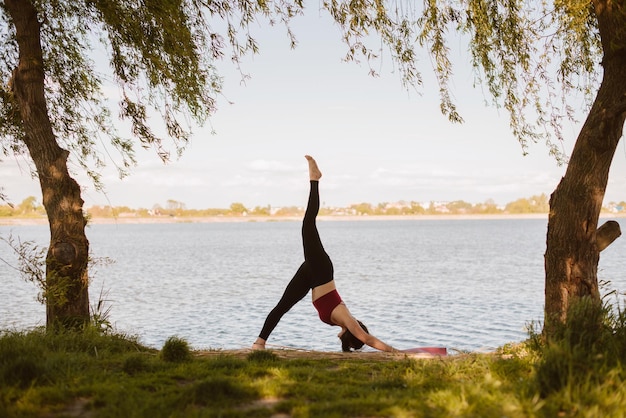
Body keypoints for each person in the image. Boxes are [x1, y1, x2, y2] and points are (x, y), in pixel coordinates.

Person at [252, 155, 396, 353]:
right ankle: (315, 179)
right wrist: (399, 353)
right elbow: (367, 339)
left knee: (282, 306)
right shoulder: (348, 320)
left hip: (312, 277)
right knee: (308, 224)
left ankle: (259, 343)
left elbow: (362, 338)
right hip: (321, 271)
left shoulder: (343, 323)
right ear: (352, 333)